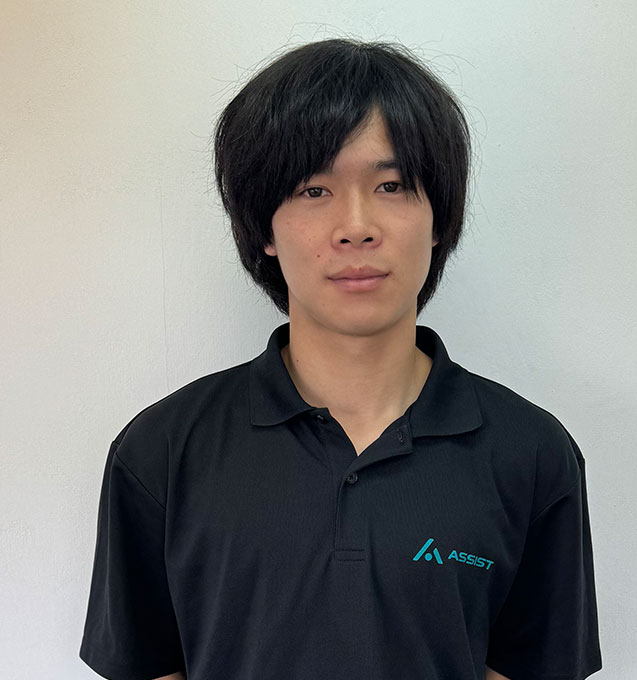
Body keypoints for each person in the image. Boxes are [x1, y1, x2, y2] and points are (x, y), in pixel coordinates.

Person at [79, 38, 603, 680]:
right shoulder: (162, 450)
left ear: (439, 218)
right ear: (263, 228)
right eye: (313, 189)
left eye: (392, 185)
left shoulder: (531, 453)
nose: (356, 226)